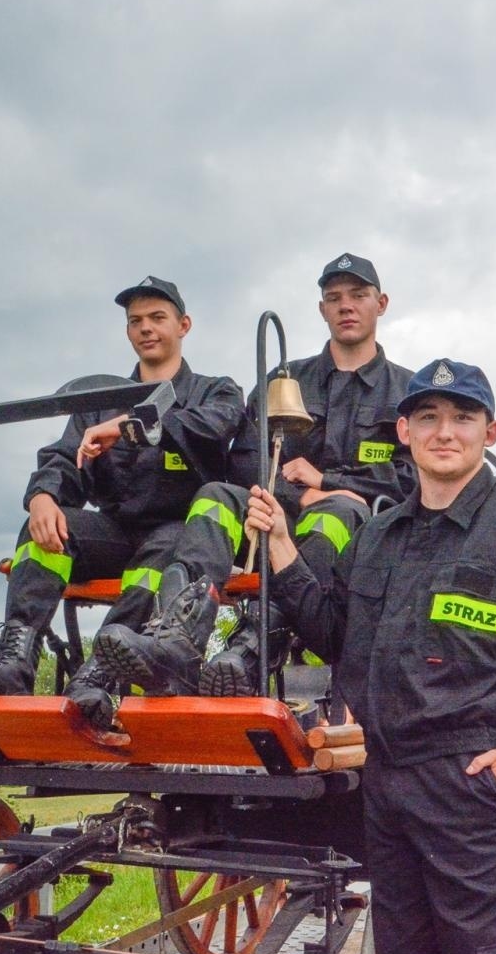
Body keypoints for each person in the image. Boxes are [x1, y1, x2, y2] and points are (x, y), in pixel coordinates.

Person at [244, 358, 496, 954]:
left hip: (474, 795)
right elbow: (335, 634)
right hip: (388, 790)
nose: (445, 432)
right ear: (405, 431)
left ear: (489, 433)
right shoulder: (379, 535)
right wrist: (282, 545)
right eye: (429, 418)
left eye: (462, 418)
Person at [95, 252, 414, 698]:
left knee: (335, 513)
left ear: (380, 304)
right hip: (269, 522)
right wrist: (291, 495)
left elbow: (415, 477)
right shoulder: (281, 381)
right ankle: (179, 640)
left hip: (360, 544)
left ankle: (252, 646)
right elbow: (244, 460)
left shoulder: (410, 393)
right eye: (334, 297)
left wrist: (331, 483)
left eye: (358, 296)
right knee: (214, 495)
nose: (346, 306)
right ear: (321, 308)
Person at [0, 277, 245, 724]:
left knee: (163, 548)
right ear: (127, 332)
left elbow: (212, 427)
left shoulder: (217, 391)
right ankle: (14, 665)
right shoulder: (97, 401)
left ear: (184, 325)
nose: (146, 328)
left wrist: (128, 426)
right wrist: (43, 495)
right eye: (135, 321)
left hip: (182, 541)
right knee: (44, 525)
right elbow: (65, 458)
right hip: (116, 534)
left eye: (158, 318)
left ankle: (97, 677)